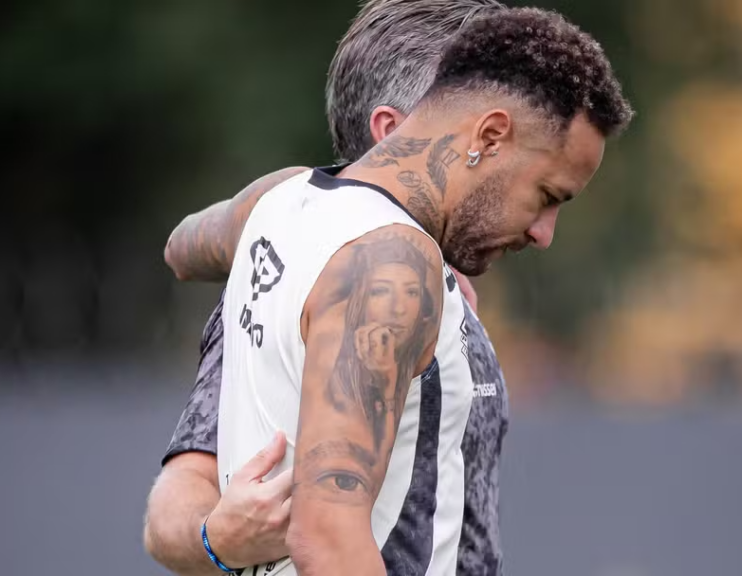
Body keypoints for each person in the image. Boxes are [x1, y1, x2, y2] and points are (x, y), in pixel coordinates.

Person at [213, 7, 630, 575]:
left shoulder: (278, 204)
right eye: (547, 195)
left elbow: (183, 244)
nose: (544, 232)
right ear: (490, 135)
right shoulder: (394, 263)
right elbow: (328, 537)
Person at [143, 2, 507, 575]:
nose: (501, 154)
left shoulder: (431, 275)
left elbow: (186, 244)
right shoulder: (299, 264)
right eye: (486, 132)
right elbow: (175, 504)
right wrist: (216, 538)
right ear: (392, 132)